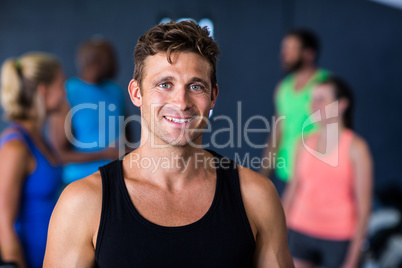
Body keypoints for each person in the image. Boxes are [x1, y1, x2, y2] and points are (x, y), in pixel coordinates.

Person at [44, 21, 294, 267]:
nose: (181, 101)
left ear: (213, 96)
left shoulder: (256, 196)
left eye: (195, 86)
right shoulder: (82, 203)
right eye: (165, 84)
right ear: (136, 93)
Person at [282, 76, 373, 268]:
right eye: (312, 99)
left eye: (322, 99)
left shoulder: (357, 148)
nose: (314, 104)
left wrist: (352, 259)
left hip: (339, 238)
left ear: (342, 105)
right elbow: (292, 190)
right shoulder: (303, 143)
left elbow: (364, 208)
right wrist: (275, 233)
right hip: (299, 230)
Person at [0, 53, 65, 268]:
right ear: (43, 91)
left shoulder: (39, 137)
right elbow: (4, 225)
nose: (65, 93)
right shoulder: (15, 146)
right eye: (61, 85)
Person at [260, 29, 330, 196]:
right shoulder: (283, 88)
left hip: (316, 177)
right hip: (286, 175)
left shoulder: (326, 85)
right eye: (284, 49)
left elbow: (335, 132)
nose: (284, 54)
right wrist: (263, 176)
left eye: (291, 49)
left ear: (309, 53)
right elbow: (278, 132)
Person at [48, 38, 124, 185]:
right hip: (80, 183)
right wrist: (103, 154)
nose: (116, 64)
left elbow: (126, 136)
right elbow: (59, 154)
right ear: (95, 62)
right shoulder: (67, 92)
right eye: (111, 58)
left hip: (117, 179)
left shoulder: (116, 91)